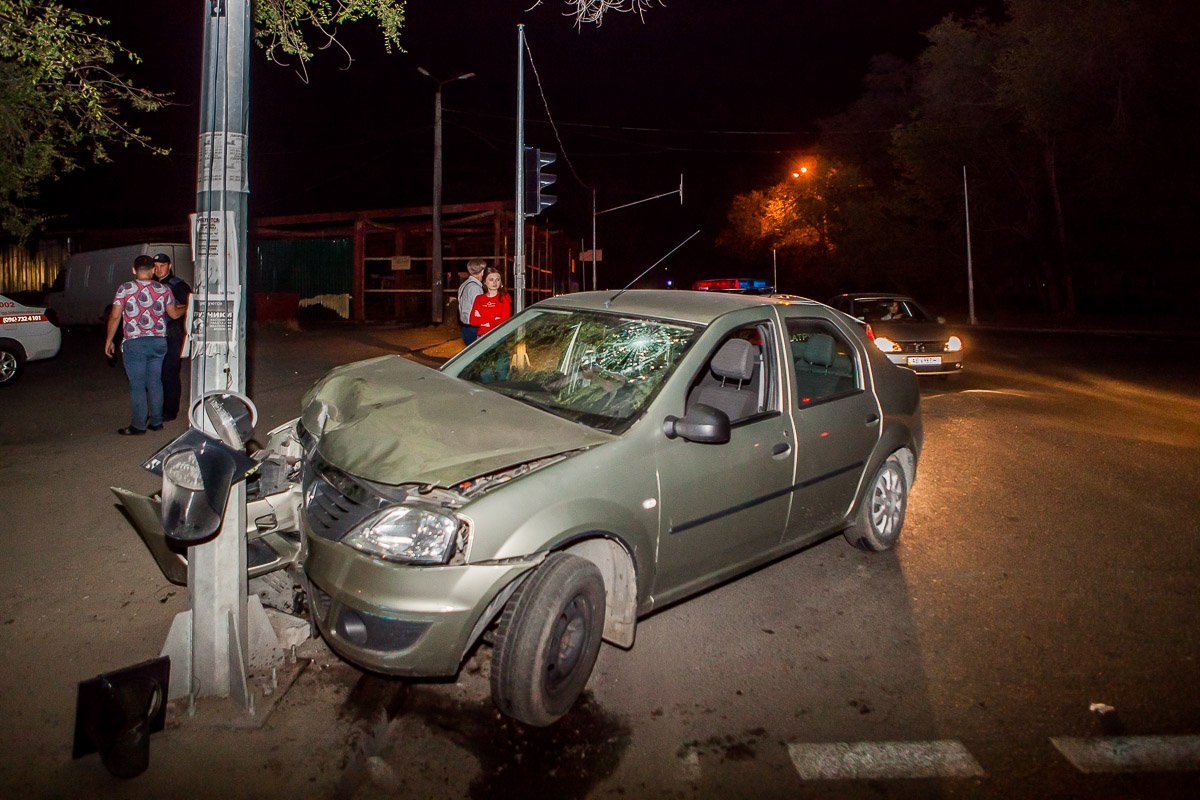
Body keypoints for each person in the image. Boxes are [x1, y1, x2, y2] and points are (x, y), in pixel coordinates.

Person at [105, 255, 185, 435]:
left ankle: (138, 425)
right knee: (155, 381)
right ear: (153, 270)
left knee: (138, 384)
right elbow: (173, 314)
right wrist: (190, 306)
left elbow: (115, 316)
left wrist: (109, 340)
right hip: (158, 342)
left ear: (134, 270)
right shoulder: (164, 289)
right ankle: (156, 421)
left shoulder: (125, 289)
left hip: (135, 343)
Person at [153, 252, 191, 422]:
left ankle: (170, 411)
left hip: (171, 332)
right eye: (156, 266)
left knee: (169, 372)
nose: (159, 269)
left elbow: (189, 305)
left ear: (169, 266)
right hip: (155, 333)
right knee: (157, 373)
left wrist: (174, 312)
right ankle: (160, 408)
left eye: (162, 266)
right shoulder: (152, 284)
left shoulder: (178, 285)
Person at [470, 265, 512, 336]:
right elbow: (473, 320)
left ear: (501, 282)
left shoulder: (505, 297)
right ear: (485, 282)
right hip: (481, 337)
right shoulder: (479, 298)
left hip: (499, 337)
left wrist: (483, 319)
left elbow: (504, 320)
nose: (495, 283)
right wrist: (495, 318)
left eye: (497, 280)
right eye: (491, 279)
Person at [457, 259, 486, 344]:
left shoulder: (464, 284)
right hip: (474, 327)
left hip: (466, 326)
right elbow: (479, 309)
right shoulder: (475, 288)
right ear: (482, 271)